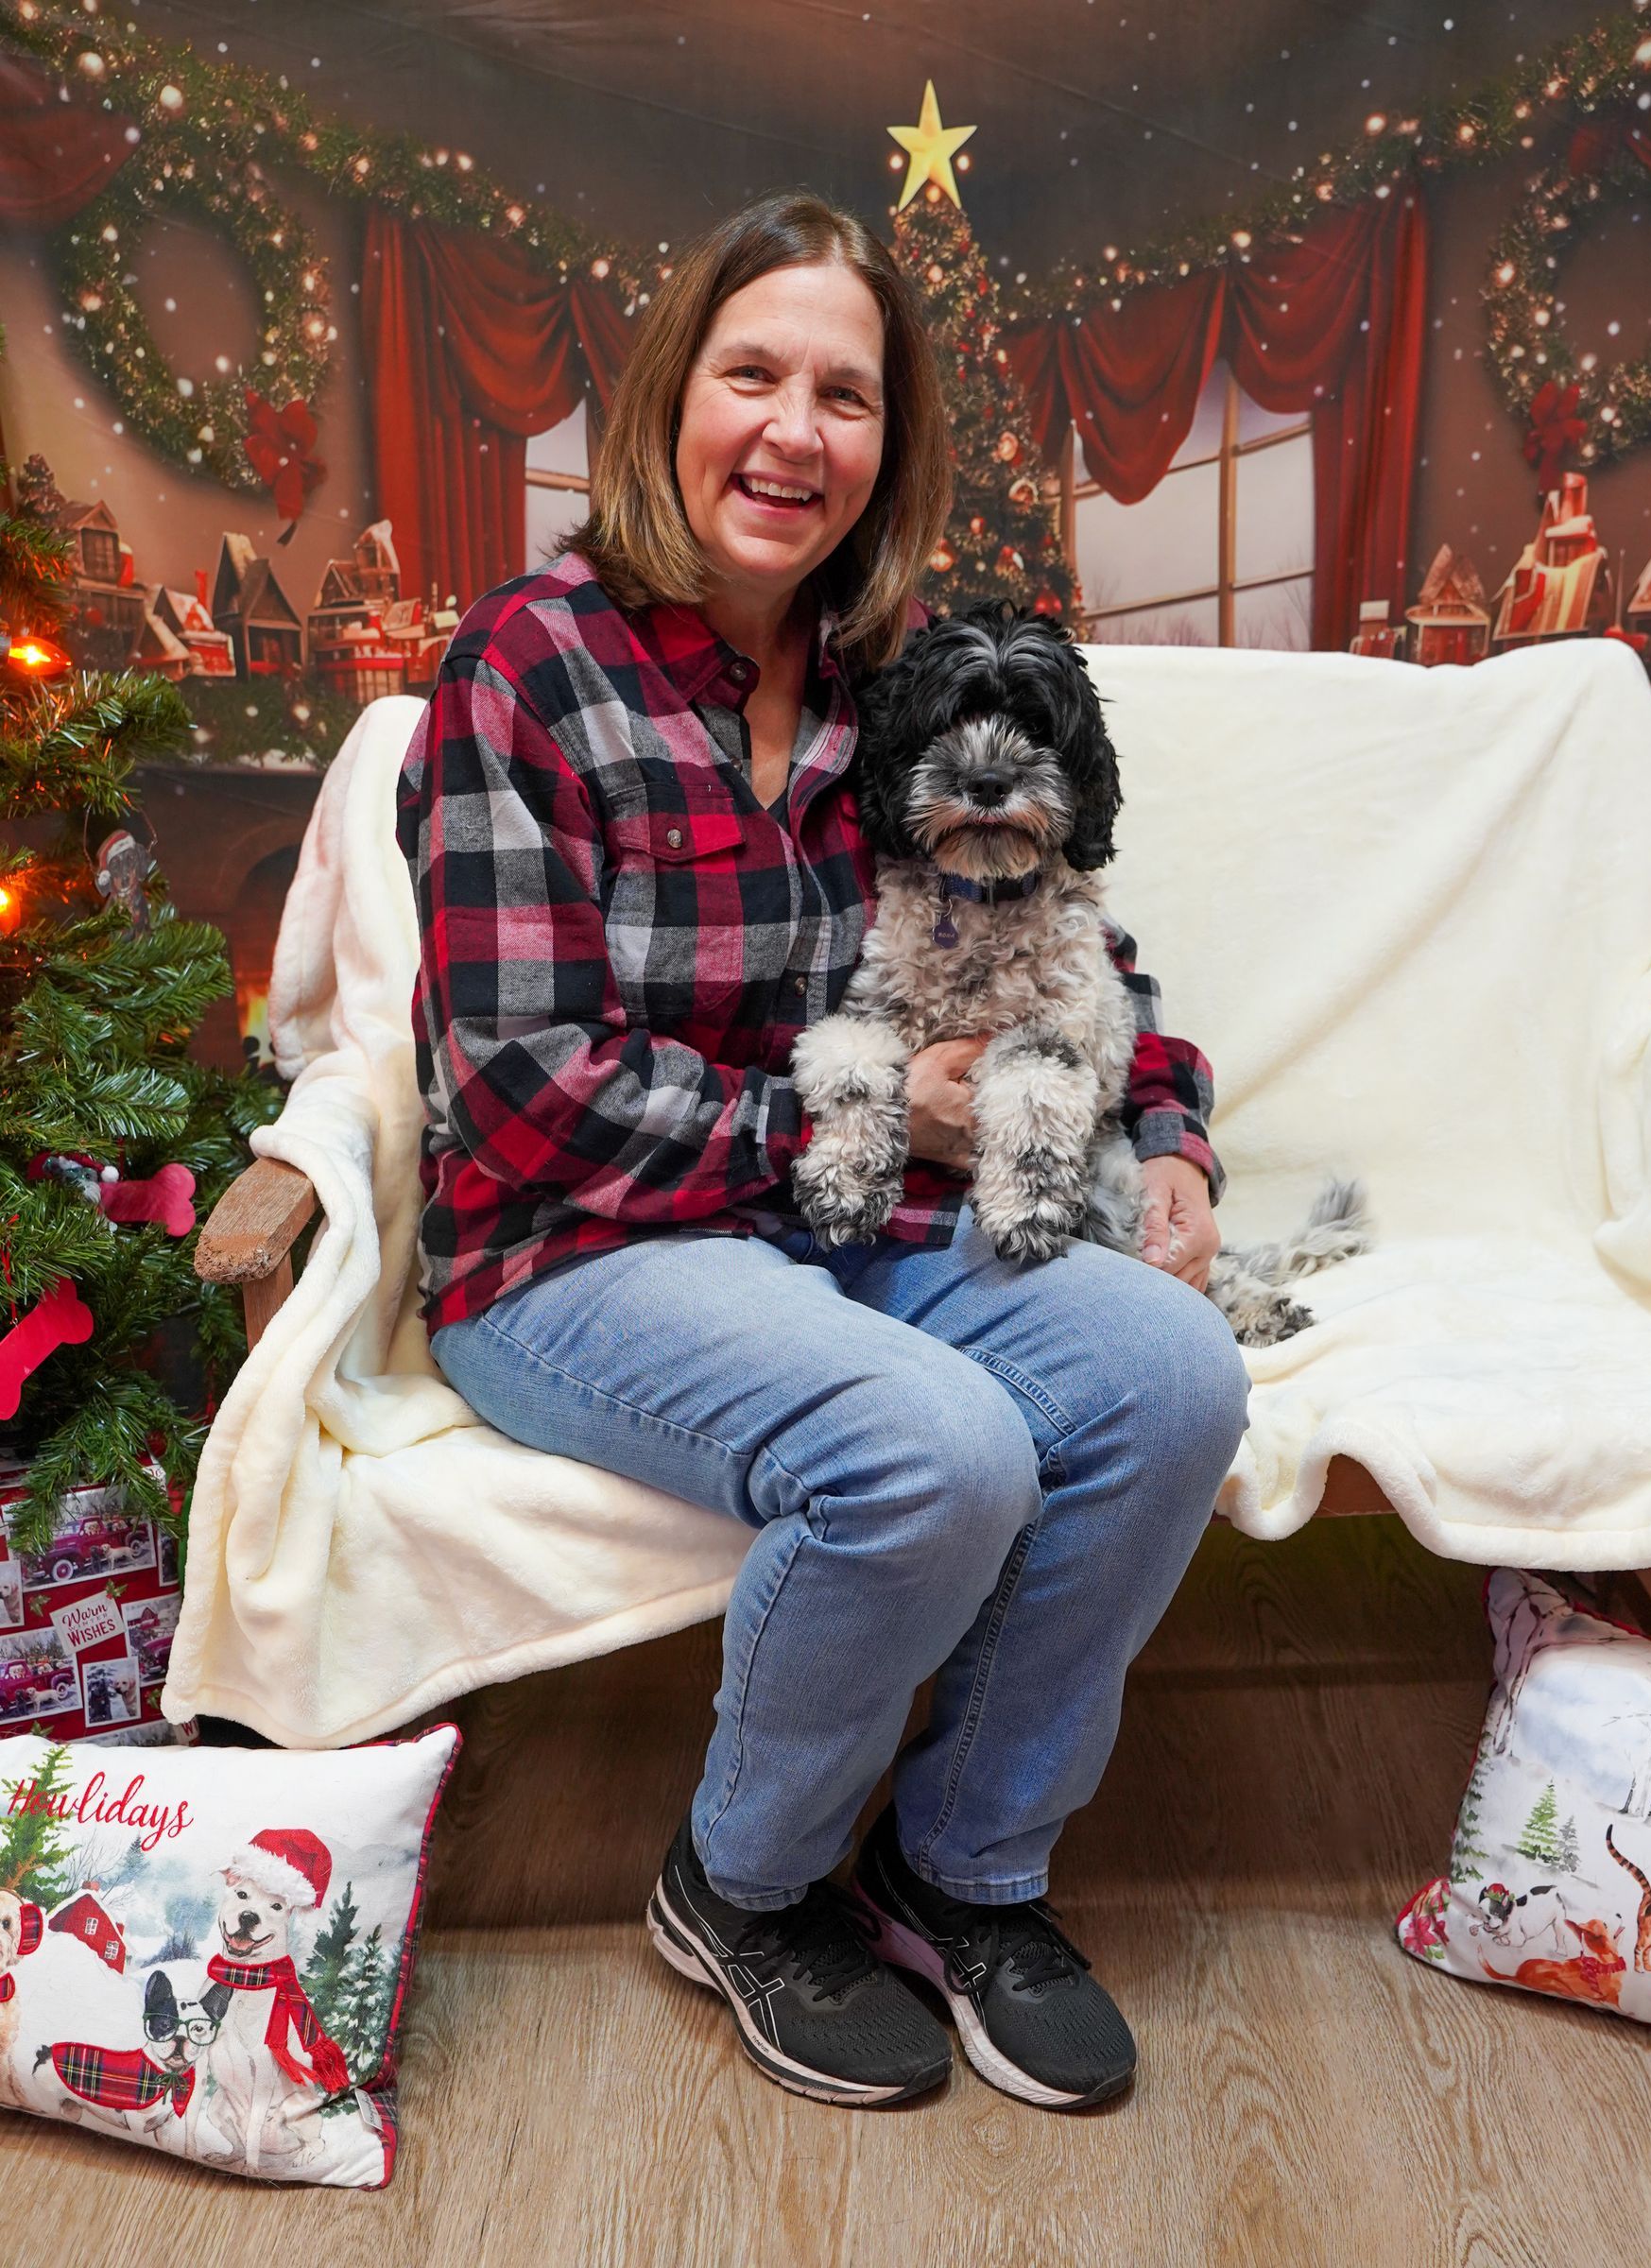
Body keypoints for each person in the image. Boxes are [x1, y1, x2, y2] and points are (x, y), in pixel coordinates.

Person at [398, 191, 1249, 2113]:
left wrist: (1174, 1129)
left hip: (853, 1211)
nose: (795, 430)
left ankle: (962, 1868)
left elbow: (1074, 953)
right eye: (753, 374)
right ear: (668, 400)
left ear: (889, 442)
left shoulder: (905, 671)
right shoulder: (526, 670)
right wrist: (854, 1120)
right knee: (929, 1449)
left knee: (1175, 1378)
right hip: (578, 1247)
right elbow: (527, 1087)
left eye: (844, 394)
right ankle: (748, 1881)